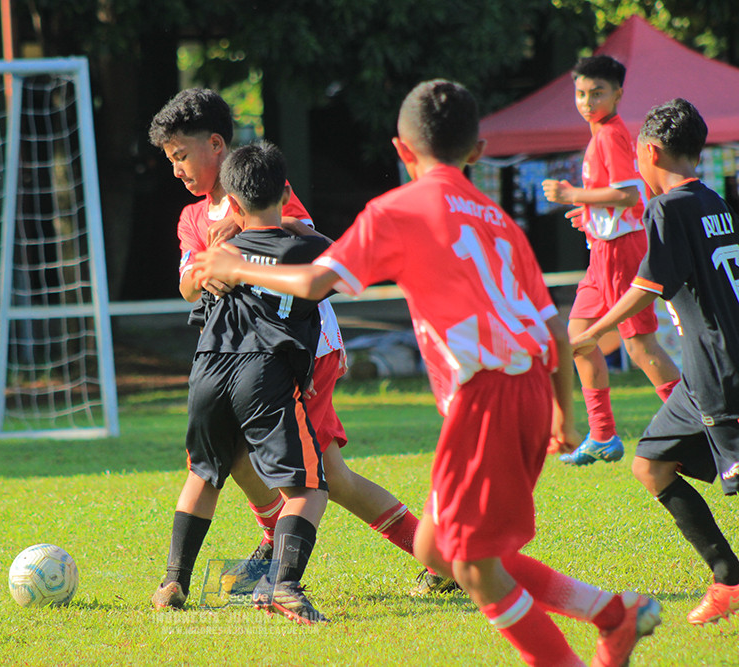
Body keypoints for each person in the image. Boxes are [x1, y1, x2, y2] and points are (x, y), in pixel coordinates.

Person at [196, 79, 661, 665]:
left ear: (401, 148)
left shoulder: (398, 209)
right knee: (439, 547)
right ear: (478, 151)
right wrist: (564, 414)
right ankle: (612, 613)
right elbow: (549, 326)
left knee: (469, 563)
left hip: (486, 394)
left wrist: (237, 265)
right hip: (527, 389)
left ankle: (599, 629)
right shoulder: (498, 219)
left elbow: (316, 282)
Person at [146, 88, 453, 603]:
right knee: (243, 460)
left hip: (298, 349)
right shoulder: (191, 218)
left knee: (322, 474)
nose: (176, 169)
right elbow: (186, 282)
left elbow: (305, 240)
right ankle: (281, 550)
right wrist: (207, 268)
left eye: (180, 155)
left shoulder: (263, 186)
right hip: (239, 357)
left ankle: (420, 558)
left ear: (215, 144)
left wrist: (238, 238)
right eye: (170, 160)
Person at [571, 98, 739, 626]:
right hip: (699, 372)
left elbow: (648, 285)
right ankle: (728, 578)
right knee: (651, 464)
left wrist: (592, 334)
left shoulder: (665, 208)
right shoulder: (714, 202)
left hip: (720, 368)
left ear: (648, 151)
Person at [151, 142, 334, 624]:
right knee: (310, 486)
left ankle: (174, 579)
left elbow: (196, 298)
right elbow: (341, 275)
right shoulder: (310, 247)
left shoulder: (219, 251)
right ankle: (284, 585)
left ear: (230, 199)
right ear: (285, 192)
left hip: (208, 369)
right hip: (264, 370)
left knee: (204, 473)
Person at [542, 54, 680, 466]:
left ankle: (700, 421)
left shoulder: (610, 135)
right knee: (577, 339)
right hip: (602, 253)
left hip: (622, 252)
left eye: (597, 92)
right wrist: (587, 214)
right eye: (581, 93)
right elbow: (616, 199)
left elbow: (629, 195)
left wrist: (571, 195)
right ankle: (602, 435)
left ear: (618, 93)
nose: (587, 101)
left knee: (639, 346)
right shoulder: (600, 133)